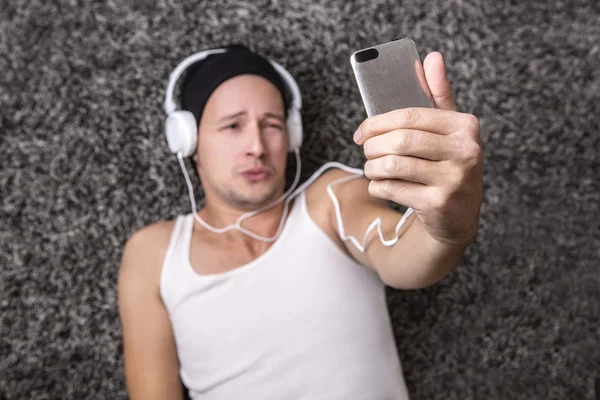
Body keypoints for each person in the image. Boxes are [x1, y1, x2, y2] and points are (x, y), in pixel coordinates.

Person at [117, 44, 483, 400]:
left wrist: (445, 226)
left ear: (292, 136)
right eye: (232, 126)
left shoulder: (332, 198)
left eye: (272, 124)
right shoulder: (154, 254)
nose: (257, 146)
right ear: (188, 140)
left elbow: (401, 253)